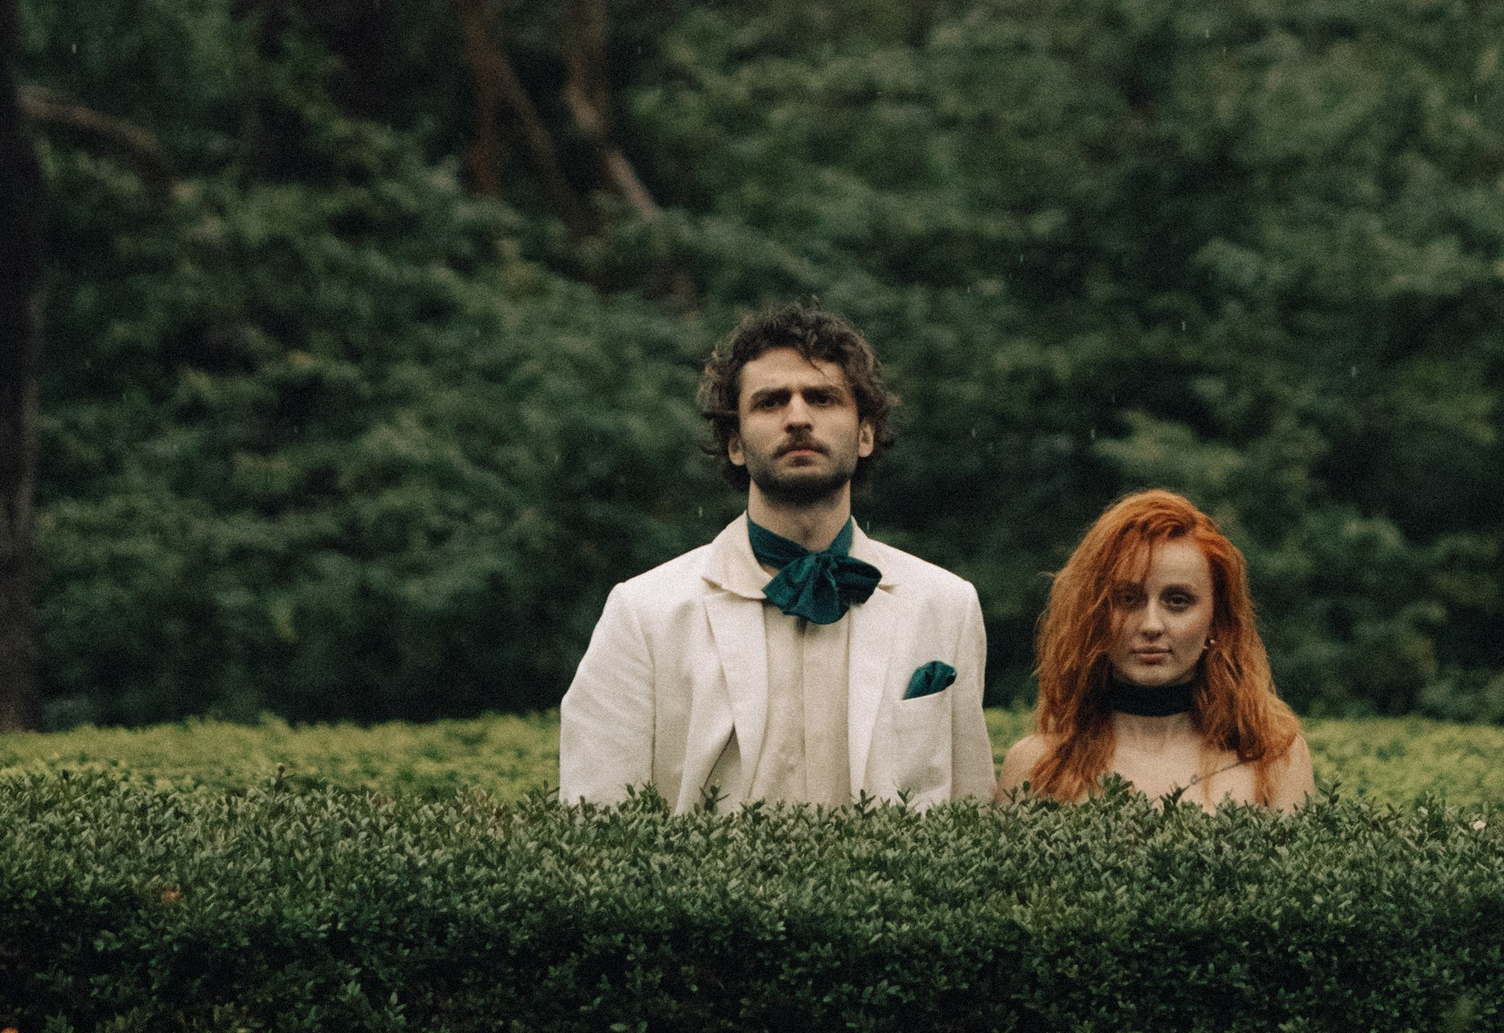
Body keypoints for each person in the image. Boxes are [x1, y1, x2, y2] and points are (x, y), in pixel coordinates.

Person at [560, 299, 996, 810]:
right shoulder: (643, 614)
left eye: (823, 398)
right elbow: (598, 818)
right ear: (735, 444)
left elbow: (970, 811)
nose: (798, 418)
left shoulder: (947, 606)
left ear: (865, 434)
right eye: (769, 402)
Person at [997, 489, 1314, 810]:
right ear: (1094, 613)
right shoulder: (1036, 766)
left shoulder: (1274, 760)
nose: (1151, 625)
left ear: (1217, 620)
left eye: (1177, 601)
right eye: (1128, 599)